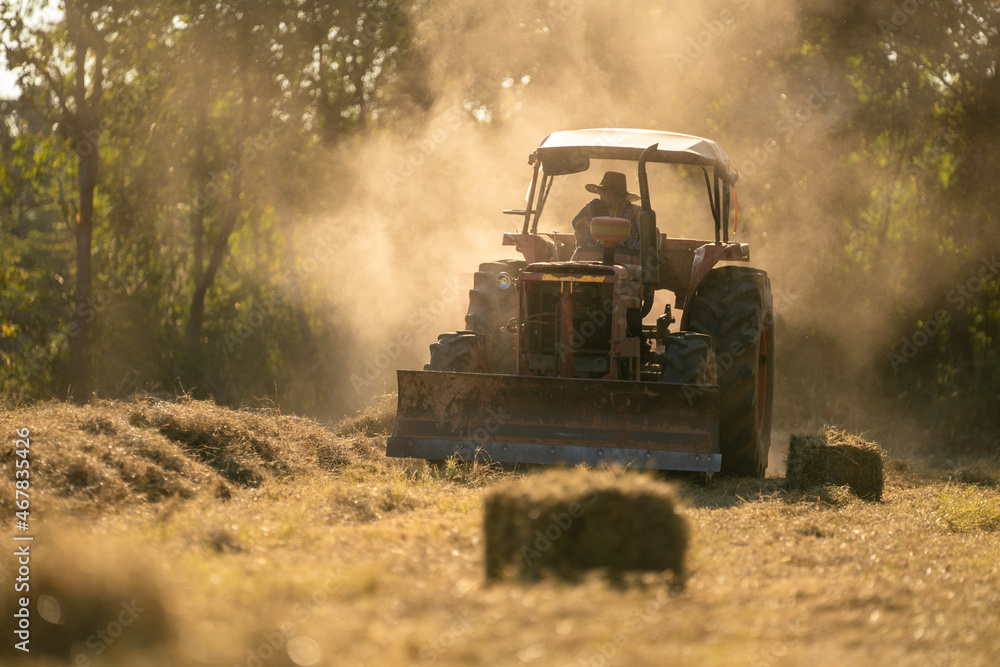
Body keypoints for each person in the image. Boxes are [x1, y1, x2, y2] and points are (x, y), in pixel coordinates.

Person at [571, 171, 642, 252]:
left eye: (620, 195)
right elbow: (580, 240)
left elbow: (654, 239)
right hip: (595, 261)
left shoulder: (636, 213)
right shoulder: (592, 210)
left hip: (628, 262)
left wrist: (632, 252)